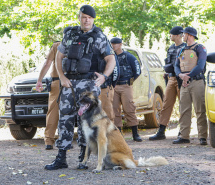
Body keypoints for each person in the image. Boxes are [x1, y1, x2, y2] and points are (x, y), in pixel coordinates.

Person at [44, 5, 116, 170]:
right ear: (79, 17)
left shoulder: (99, 36)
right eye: (84, 17)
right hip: (69, 84)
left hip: (89, 84)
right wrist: (61, 76)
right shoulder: (70, 34)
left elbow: (111, 59)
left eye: (89, 18)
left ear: (93, 19)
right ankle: (61, 158)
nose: (86, 20)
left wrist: (104, 76)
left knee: (86, 120)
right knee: (65, 119)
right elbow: (59, 56)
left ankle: (83, 160)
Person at [149, 26, 186, 140]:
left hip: (182, 79)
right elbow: (169, 63)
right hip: (171, 78)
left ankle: (183, 131)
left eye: (171, 34)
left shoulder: (186, 48)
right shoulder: (170, 48)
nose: (170, 36)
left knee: (183, 106)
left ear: (177, 35)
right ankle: (161, 131)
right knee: (166, 105)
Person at [173, 27, 208, 145]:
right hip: (184, 83)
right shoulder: (181, 49)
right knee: (184, 110)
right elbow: (176, 66)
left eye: (184, 34)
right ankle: (184, 136)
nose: (183, 36)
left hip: (197, 82)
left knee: (200, 110)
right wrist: (180, 75)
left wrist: (187, 76)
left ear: (190, 35)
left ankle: (202, 136)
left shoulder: (200, 48)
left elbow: (200, 65)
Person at [111, 37, 142, 142]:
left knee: (129, 109)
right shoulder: (110, 57)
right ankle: (118, 135)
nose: (113, 46)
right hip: (114, 86)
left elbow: (137, 71)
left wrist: (130, 81)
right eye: (112, 44)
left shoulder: (130, 57)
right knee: (114, 110)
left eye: (115, 44)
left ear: (120, 44)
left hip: (125, 86)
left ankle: (135, 134)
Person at [36, 41, 61, 150]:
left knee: (53, 111)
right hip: (75, 83)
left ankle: (49, 141)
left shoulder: (57, 46)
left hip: (57, 82)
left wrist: (39, 80)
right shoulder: (81, 42)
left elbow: (47, 64)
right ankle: (70, 140)